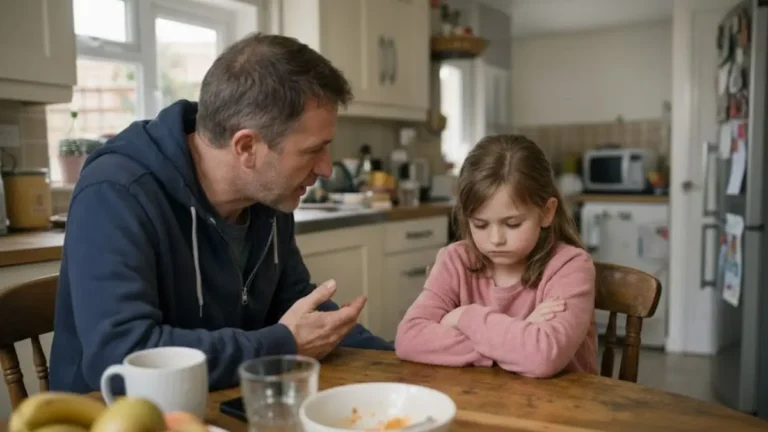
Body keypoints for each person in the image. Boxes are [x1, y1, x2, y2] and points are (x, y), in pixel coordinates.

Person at [50, 33, 393, 393]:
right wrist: (280, 344)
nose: (326, 168)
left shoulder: (267, 195)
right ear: (246, 147)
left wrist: (400, 361)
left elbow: (294, 306)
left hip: (219, 402)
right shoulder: (116, 193)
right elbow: (121, 355)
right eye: (313, 150)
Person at [394, 135, 597, 378]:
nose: (495, 239)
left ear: (547, 212)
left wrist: (463, 317)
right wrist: (522, 335)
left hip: (559, 410)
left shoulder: (570, 267)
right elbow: (409, 338)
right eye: (480, 225)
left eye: (512, 224)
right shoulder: (455, 260)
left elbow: (541, 356)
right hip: (479, 403)